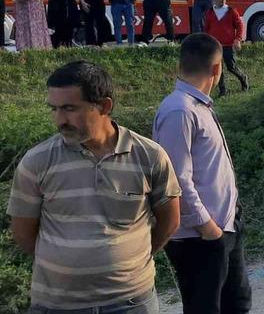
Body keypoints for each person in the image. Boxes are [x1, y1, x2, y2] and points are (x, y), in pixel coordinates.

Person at [7, 61, 180, 312]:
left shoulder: (149, 156)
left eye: (69, 108)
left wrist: (129, 265)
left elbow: (170, 219)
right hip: (58, 305)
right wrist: (70, 266)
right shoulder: (37, 162)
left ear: (104, 106)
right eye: (54, 109)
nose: (59, 120)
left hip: (132, 303)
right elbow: (23, 233)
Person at [154, 33, 252, 314]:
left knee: (238, 304)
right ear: (217, 69)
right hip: (201, 237)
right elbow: (175, 179)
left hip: (224, 226)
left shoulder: (198, 106)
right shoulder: (179, 110)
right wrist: (207, 226)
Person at [204, 0, 250, 96]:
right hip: (215, 46)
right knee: (217, 69)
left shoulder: (231, 11)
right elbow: (206, 28)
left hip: (228, 45)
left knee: (231, 66)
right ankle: (223, 91)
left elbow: (239, 26)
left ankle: (243, 78)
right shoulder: (210, 12)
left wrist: (238, 39)